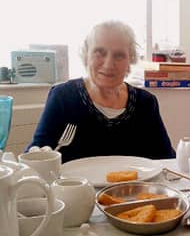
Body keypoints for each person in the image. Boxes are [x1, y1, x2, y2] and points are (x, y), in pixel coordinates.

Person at [28, 20, 175, 162]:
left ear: (130, 61)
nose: (108, 64)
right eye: (99, 52)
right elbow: (35, 155)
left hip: (133, 188)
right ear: (86, 56)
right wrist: (40, 157)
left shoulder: (146, 103)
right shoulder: (63, 97)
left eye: (119, 55)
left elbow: (167, 160)